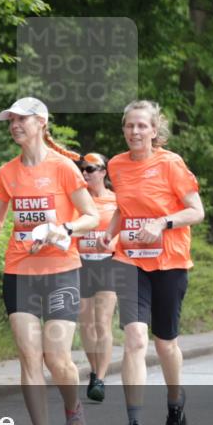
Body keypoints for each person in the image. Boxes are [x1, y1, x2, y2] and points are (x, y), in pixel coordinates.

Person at [0, 97, 99, 425]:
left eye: (21, 120)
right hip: (19, 272)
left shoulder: (63, 168)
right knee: (29, 358)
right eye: (10, 121)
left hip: (61, 270)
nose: (14, 125)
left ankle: (73, 409)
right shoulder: (7, 173)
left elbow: (91, 216)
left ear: (41, 123)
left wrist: (62, 227)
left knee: (57, 356)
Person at [99, 100, 204, 425]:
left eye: (142, 126)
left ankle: (175, 400)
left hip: (170, 262)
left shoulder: (171, 163)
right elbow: (123, 208)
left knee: (165, 344)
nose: (135, 132)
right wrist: (110, 231)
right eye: (129, 125)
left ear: (154, 131)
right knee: (135, 339)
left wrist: (163, 222)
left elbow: (196, 211)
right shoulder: (116, 165)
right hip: (129, 260)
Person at [76, 152, 119, 402]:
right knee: (86, 325)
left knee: (102, 323)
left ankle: (100, 378)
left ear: (103, 172)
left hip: (108, 264)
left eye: (91, 169)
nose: (85, 173)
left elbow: (126, 228)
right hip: (81, 263)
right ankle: (94, 370)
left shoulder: (116, 200)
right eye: (82, 168)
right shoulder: (77, 201)